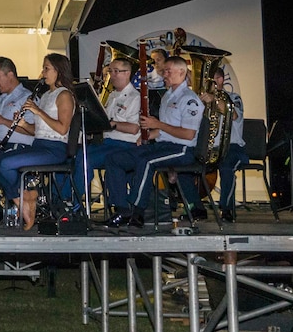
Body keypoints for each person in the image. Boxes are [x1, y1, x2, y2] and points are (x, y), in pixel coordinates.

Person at [104, 55, 205, 229]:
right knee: (115, 158)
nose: (164, 74)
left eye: (168, 71)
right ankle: (121, 208)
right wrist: (148, 135)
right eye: (164, 71)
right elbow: (166, 129)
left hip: (182, 149)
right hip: (163, 145)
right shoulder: (167, 96)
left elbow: (188, 134)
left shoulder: (190, 99)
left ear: (182, 72)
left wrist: (157, 124)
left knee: (146, 162)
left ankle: (138, 211)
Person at [0, 54, 77, 228]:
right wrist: (23, 123)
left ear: (58, 71)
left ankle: (26, 198)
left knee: (6, 164)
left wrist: (38, 111)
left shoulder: (65, 95)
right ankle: (24, 197)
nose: (42, 72)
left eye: (47, 68)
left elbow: (62, 128)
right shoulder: (46, 96)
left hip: (55, 149)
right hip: (40, 144)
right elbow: (37, 130)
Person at [73, 57, 140, 213]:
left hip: (124, 145)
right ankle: (66, 198)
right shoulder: (112, 95)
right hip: (107, 143)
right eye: (111, 71)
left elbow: (134, 129)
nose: (112, 75)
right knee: (75, 155)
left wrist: (113, 124)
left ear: (128, 73)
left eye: (117, 71)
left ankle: (74, 202)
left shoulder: (135, 98)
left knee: (85, 159)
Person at [206, 65, 248, 222]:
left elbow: (234, 114)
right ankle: (194, 207)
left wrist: (215, 100)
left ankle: (226, 209)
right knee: (184, 164)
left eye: (210, 81)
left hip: (232, 147)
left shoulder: (233, 98)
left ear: (220, 80)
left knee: (226, 167)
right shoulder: (203, 99)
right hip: (210, 148)